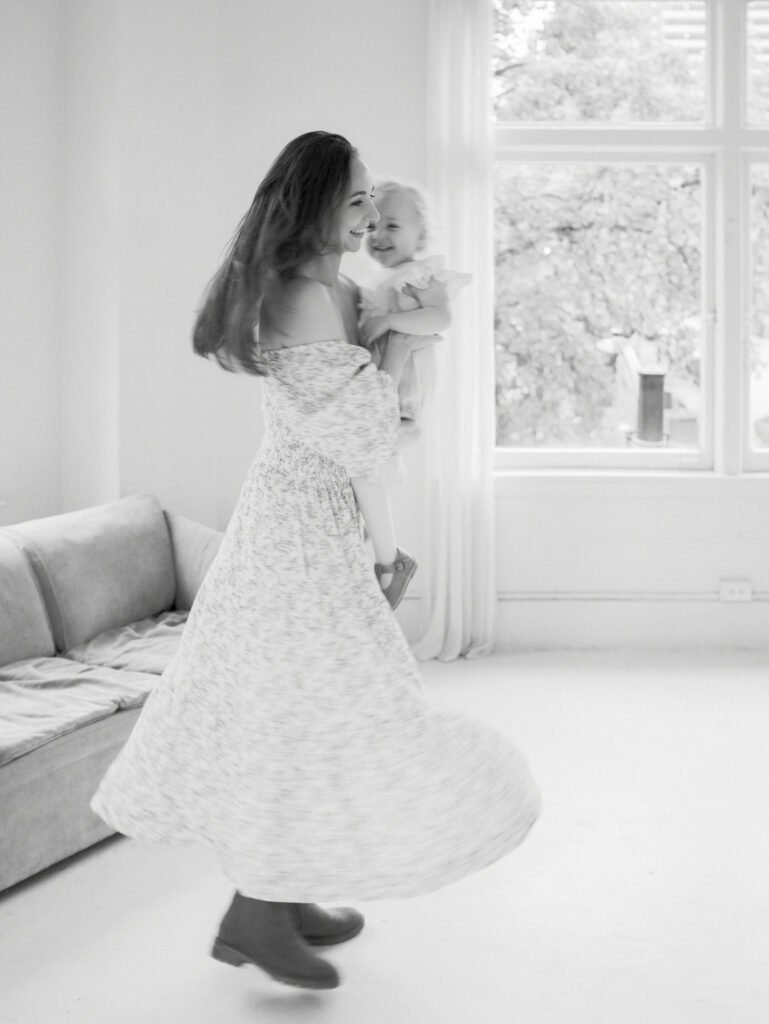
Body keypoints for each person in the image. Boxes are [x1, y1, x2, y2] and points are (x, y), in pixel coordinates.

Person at [91, 131, 540, 992]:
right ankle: (257, 908)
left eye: (374, 198)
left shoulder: (337, 285)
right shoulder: (301, 294)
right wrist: (385, 545)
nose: (371, 215)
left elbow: (372, 416)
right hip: (298, 533)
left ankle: (280, 893)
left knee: (315, 705)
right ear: (314, 206)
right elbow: (362, 434)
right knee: (320, 706)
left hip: (315, 519)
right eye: (356, 200)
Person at [351, 180, 472, 609]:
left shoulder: (418, 276)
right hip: (387, 387)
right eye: (372, 228)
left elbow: (440, 317)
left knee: (365, 468)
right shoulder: (382, 281)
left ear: (420, 235)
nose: (379, 237)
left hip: (405, 392)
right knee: (362, 470)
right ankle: (374, 546)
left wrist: (388, 325)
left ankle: (390, 559)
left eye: (393, 227)